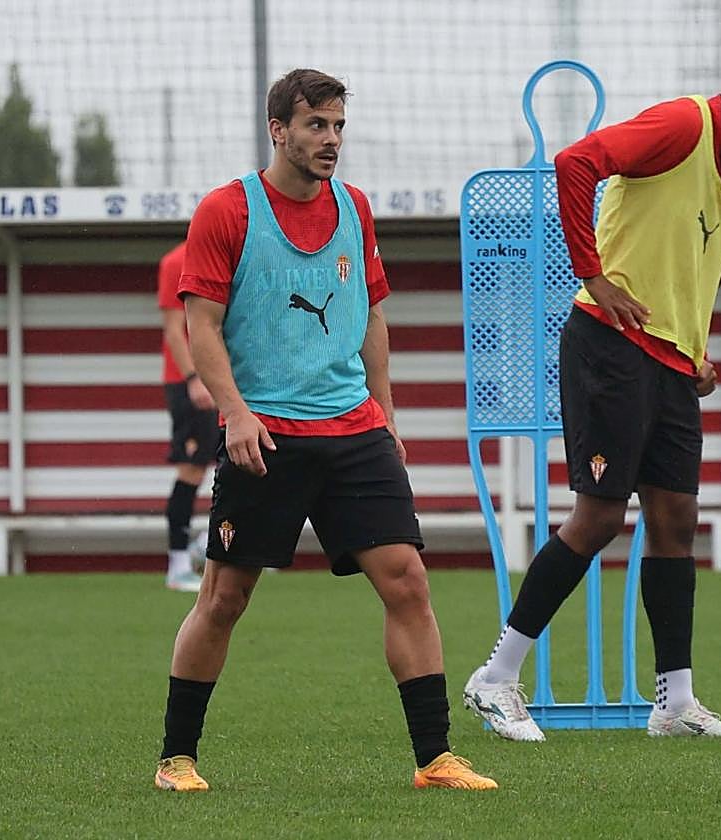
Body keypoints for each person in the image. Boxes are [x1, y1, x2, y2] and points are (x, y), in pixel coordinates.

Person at [153, 68, 497, 792]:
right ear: (278, 130)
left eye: (339, 125)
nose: (332, 139)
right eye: (317, 125)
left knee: (407, 583)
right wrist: (236, 412)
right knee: (223, 599)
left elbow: (370, 314)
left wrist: (387, 414)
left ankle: (434, 759)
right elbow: (201, 325)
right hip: (265, 434)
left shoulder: (355, 207)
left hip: (355, 432)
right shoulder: (226, 210)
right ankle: (176, 758)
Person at [464, 83, 721, 742]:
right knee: (598, 517)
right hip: (610, 343)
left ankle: (674, 703)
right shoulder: (681, 126)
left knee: (675, 520)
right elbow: (576, 162)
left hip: (672, 361)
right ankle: (495, 677)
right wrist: (592, 273)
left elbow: (691, 261)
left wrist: (697, 350)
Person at [157, 240, 219, 592]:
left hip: (222, 379)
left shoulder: (226, 257)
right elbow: (174, 329)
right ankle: (178, 563)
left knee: (239, 463)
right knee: (192, 468)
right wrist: (193, 378)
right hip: (188, 384)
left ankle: (205, 545)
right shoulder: (175, 262)